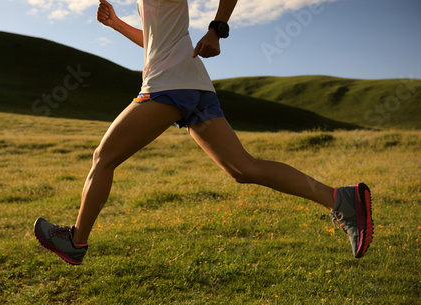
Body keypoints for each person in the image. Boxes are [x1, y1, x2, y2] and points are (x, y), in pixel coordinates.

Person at [34, 0, 374, 265]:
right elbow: (154, 42)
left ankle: (76, 241)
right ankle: (340, 199)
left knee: (103, 158)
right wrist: (117, 24)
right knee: (243, 168)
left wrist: (216, 30)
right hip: (189, 83)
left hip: (170, 85)